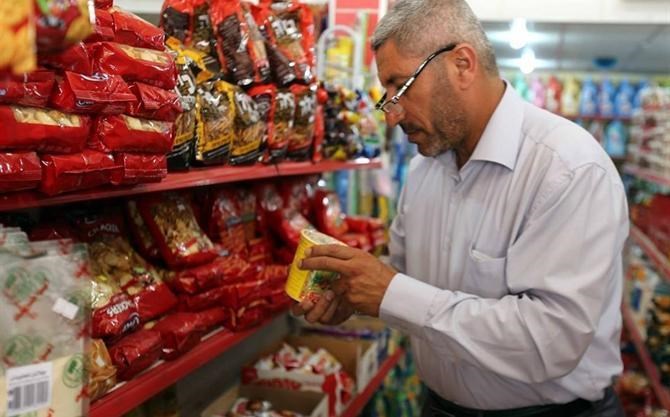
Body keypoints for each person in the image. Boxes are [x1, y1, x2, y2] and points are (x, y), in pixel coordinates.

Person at [291, 0, 629, 416]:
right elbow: (406, 278)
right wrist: (356, 294)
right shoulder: (425, 170)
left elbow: (552, 341)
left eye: (400, 88)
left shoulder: (567, 169)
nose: (392, 115)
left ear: (462, 65)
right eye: (387, 97)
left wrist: (390, 293)